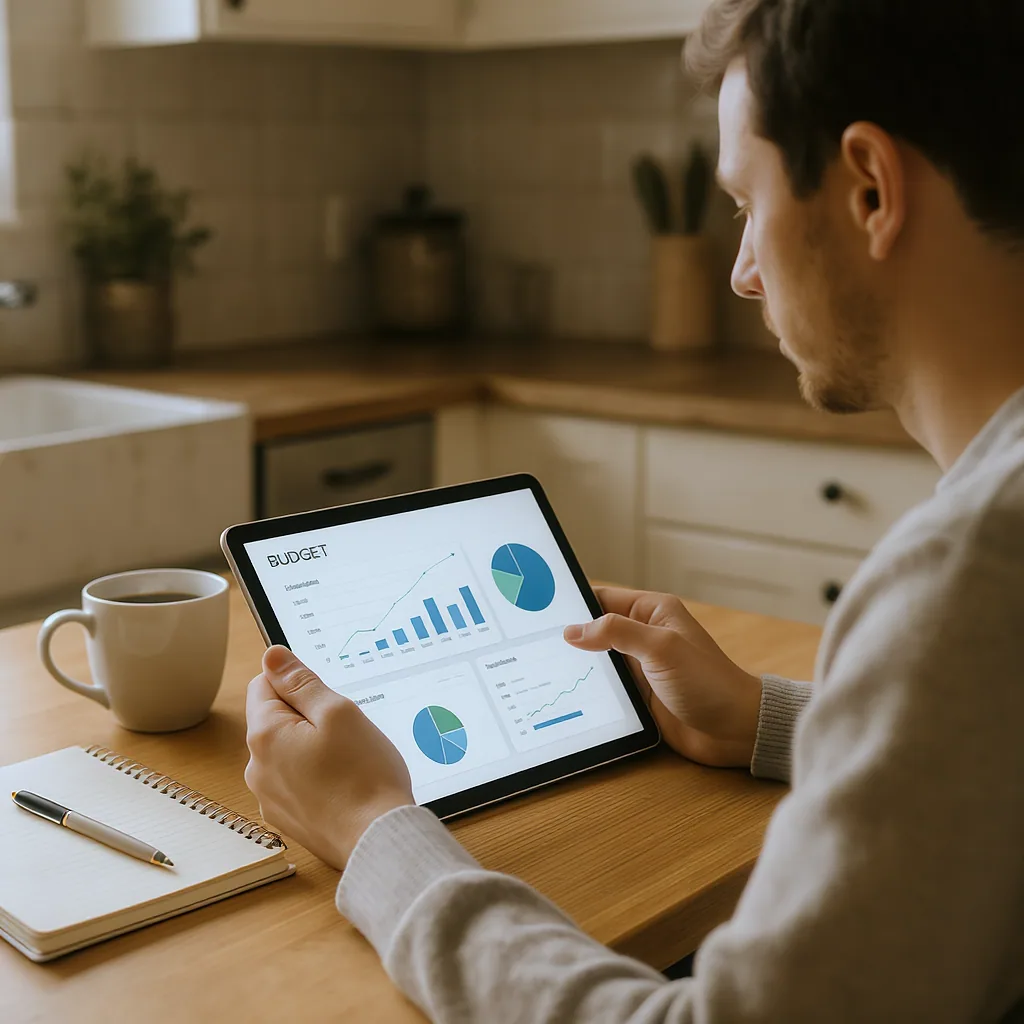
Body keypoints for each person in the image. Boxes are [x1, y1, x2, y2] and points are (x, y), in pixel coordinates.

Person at [243, 0, 1024, 1019]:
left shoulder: (970, 571)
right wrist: (764, 716)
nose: (743, 273)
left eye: (745, 203)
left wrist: (374, 828)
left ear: (869, 188)